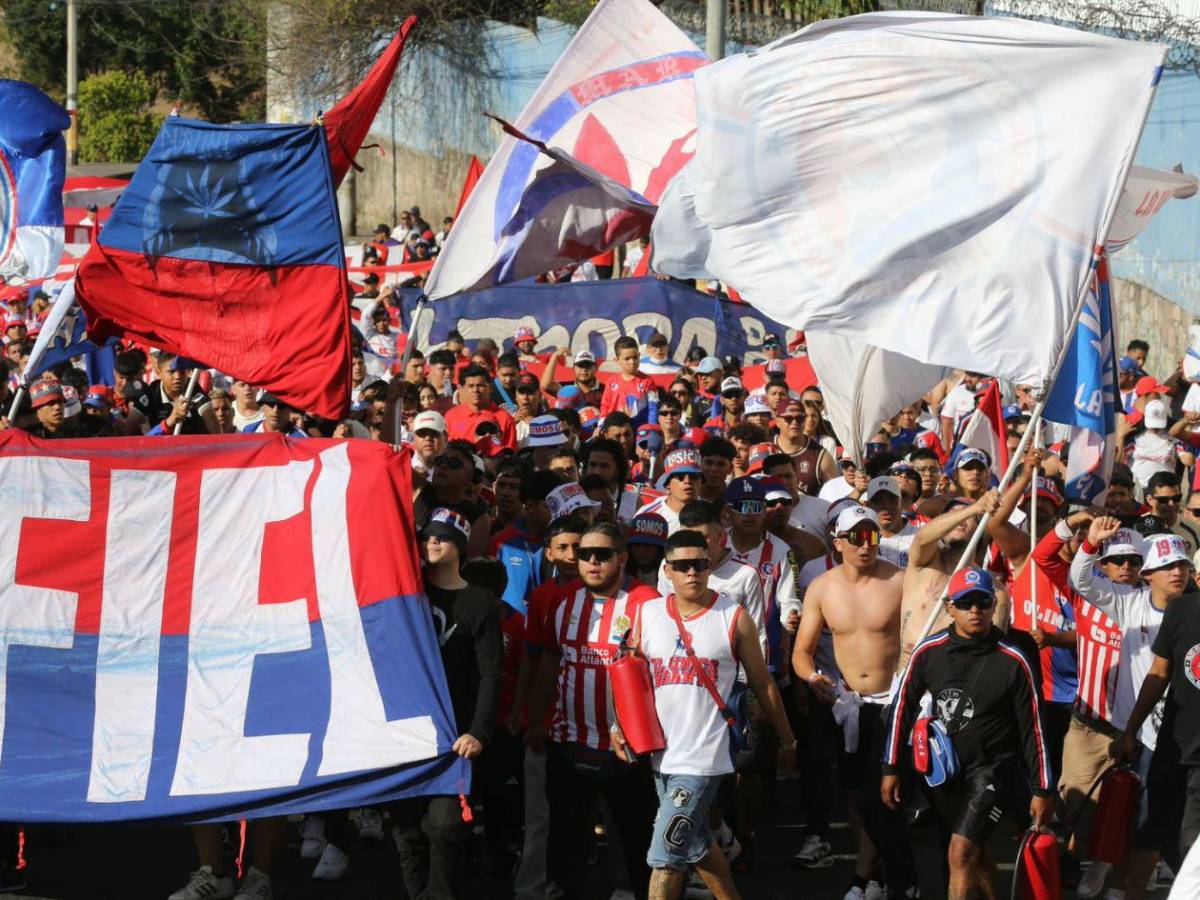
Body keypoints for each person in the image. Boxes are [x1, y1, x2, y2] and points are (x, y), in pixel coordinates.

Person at [612, 529, 798, 900]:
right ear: (668, 570)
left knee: (665, 856)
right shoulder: (647, 614)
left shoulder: (734, 616)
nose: (691, 572)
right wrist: (620, 726)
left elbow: (764, 685)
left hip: (704, 758)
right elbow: (630, 678)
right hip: (661, 754)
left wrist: (788, 740)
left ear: (710, 565)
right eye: (682, 566)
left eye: (698, 564)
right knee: (695, 843)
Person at [881, 566, 1055, 900]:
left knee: (959, 854)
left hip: (993, 770)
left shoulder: (1014, 659)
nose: (974, 610)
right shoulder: (928, 651)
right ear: (949, 608)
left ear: (994, 606)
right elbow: (901, 709)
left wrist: (1042, 788)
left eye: (982, 602)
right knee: (978, 854)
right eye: (965, 603)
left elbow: (1035, 728)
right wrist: (890, 768)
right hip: (945, 771)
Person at [525, 522, 660, 900]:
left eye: (602, 554)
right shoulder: (563, 601)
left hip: (630, 750)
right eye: (586, 554)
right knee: (566, 838)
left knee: (638, 840)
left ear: (622, 558)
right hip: (568, 742)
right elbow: (550, 662)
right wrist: (536, 719)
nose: (592, 561)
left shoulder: (648, 603)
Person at [792, 504, 918, 900]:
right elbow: (802, 651)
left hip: (895, 702)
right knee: (858, 799)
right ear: (839, 542)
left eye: (873, 537)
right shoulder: (822, 586)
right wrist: (811, 678)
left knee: (881, 796)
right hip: (849, 705)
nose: (866, 546)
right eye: (857, 538)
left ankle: (870, 878)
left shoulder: (899, 580)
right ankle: (882, 874)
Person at [1074, 521, 1193, 894]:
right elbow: (1082, 581)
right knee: (1120, 807)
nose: (1177, 572)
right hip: (1134, 729)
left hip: (1179, 734)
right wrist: (1091, 543)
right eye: (1168, 567)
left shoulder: (1194, 612)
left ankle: (1128, 885)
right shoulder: (1129, 602)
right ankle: (1104, 863)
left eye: (1183, 566)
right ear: (1148, 574)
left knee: (1152, 818)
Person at [394, 508, 502, 900]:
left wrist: (479, 731)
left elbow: (491, 673)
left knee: (444, 826)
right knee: (407, 827)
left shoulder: (479, 603)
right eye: (427, 537)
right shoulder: (405, 593)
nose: (432, 543)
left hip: (456, 737)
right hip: (405, 734)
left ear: (460, 545)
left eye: (442, 536)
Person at [1113, 533, 1200, 874]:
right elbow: (1159, 672)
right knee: (1161, 831)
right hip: (1173, 746)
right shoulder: (1181, 610)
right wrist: (1130, 731)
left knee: (1191, 840)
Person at [900, 491, 1003, 669]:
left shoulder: (995, 591)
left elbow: (994, 652)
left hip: (956, 683)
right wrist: (975, 507)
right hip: (909, 679)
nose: (959, 518)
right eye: (951, 514)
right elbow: (923, 537)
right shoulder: (923, 563)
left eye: (969, 515)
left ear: (981, 528)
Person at [445, 364, 517, 448]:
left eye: (480, 386)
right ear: (460, 389)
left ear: (490, 388)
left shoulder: (505, 419)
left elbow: (509, 455)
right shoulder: (451, 416)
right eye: (470, 386)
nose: (475, 390)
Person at [636, 448, 703, 535]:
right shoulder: (648, 515)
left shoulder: (712, 514)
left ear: (701, 481)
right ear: (668, 484)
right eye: (680, 477)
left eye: (693, 476)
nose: (687, 481)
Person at [600, 336, 658, 425]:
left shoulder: (647, 381)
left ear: (639, 356)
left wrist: (651, 429)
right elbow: (605, 406)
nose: (632, 362)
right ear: (617, 360)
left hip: (639, 429)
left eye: (635, 357)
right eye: (627, 359)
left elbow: (653, 409)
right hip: (615, 429)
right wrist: (601, 426)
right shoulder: (611, 381)